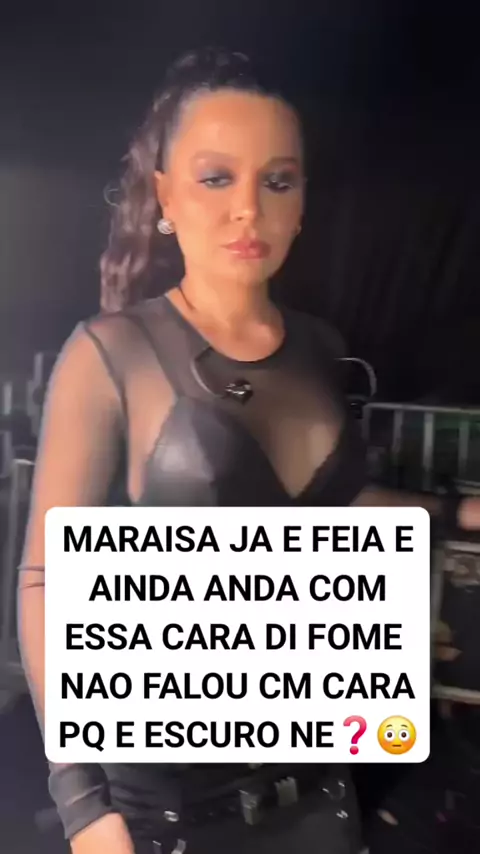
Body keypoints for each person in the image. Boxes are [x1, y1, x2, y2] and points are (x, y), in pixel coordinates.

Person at [17, 47, 480, 854]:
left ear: (302, 202)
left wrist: (458, 512)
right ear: (166, 196)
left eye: (278, 181)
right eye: (216, 177)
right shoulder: (111, 353)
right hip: (164, 810)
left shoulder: (320, 348)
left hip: (319, 782)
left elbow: (326, 506)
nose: (248, 210)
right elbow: (45, 580)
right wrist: (84, 805)